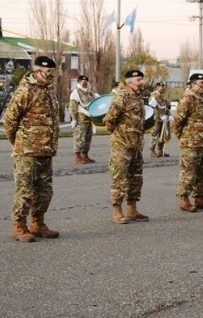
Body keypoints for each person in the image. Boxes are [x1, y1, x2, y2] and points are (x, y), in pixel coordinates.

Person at [4, 56, 60, 242]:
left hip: (45, 150)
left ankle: (38, 223)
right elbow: (10, 120)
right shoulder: (25, 90)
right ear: (37, 71)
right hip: (27, 150)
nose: (51, 75)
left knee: (45, 191)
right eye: (48, 72)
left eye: (53, 72)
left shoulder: (48, 91)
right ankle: (19, 226)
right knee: (25, 191)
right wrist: (17, 142)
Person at [103, 70, 149, 224]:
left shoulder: (138, 97)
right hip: (122, 146)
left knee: (135, 179)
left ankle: (132, 209)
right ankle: (117, 211)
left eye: (142, 79)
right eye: (138, 80)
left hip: (136, 145)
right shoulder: (122, 97)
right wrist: (118, 135)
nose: (141, 82)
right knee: (119, 179)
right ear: (129, 82)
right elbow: (109, 119)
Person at [172, 73, 203, 212]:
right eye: (201, 83)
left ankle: (200, 198)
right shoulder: (187, 100)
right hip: (191, 143)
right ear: (192, 85)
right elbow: (176, 123)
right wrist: (185, 137)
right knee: (188, 173)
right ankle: (184, 199)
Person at [69, 75, 99, 164]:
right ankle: (77, 157)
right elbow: (73, 107)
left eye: (86, 82)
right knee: (79, 138)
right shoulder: (76, 93)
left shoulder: (89, 93)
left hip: (89, 118)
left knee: (87, 138)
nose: (84, 83)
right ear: (78, 82)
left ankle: (85, 155)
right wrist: (74, 118)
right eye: (83, 81)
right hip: (80, 119)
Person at [148, 82, 172, 158]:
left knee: (162, 134)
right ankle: (152, 151)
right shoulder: (153, 96)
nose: (162, 88)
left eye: (163, 87)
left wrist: (168, 114)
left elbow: (167, 106)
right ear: (156, 87)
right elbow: (153, 107)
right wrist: (160, 115)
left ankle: (160, 151)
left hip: (164, 118)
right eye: (160, 87)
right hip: (156, 119)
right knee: (155, 134)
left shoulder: (163, 97)